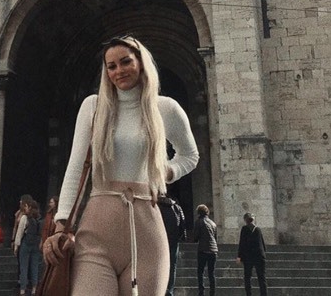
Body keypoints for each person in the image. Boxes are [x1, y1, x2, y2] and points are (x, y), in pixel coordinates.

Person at [44, 35, 199, 296]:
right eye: (111, 66)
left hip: (147, 230)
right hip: (97, 228)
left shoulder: (166, 108)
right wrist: (61, 225)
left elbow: (190, 156)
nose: (119, 71)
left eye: (125, 62)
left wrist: (167, 172)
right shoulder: (92, 107)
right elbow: (75, 168)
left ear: (141, 62)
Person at [157, 194, 185, 296]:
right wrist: (180, 237)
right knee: (172, 266)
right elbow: (182, 223)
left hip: (159, 241)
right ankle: (170, 290)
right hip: (174, 241)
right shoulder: (176, 207)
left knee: (158, 264)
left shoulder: (155, 206)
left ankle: (159, 289)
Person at [14, 198, 43, 295]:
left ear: (28, 207)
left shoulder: (25, 218)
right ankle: (34, 288)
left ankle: (23, 289)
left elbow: (20, 232)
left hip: (26, 243)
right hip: (36, 244)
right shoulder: (39, 219)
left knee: (24, 266)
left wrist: (16, 245)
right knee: (34, 266)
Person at [236, 213, 268, 296]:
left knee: (247, 277)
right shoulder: (258, 229)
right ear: (253, 220)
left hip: (248, 257)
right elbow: (263, 244)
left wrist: (239, 256)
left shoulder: (244, 229)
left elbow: (242, 243)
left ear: (245, 220)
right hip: (259, 256)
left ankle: (249, 294)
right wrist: (264, 254)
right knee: (262, 278)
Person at [192, 204, 218, 296]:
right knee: (211, 273)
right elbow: (215, 238)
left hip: (203, 249)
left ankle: (201, 292)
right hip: (213, 250)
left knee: (200, 271)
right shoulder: (213, 223)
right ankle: (212, 293)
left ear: (198, 212)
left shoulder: (199, 222)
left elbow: (195, 237)